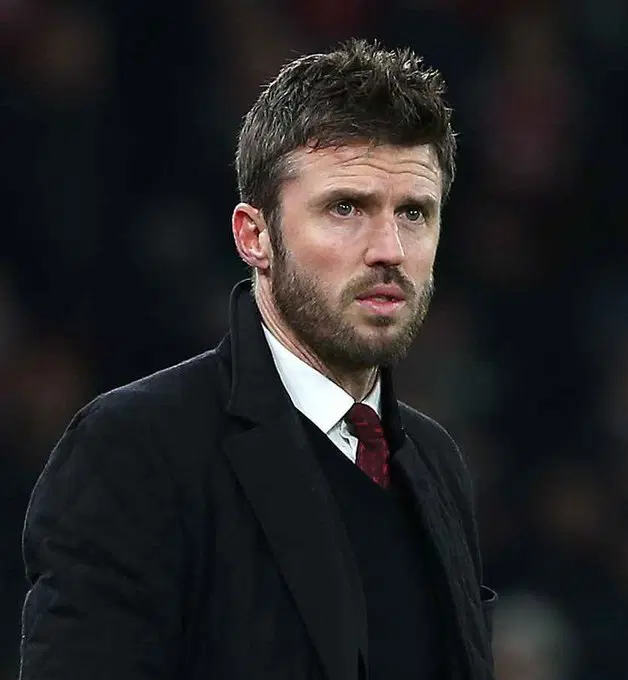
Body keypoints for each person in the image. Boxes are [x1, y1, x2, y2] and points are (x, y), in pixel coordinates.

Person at [19, 38, 497, 680]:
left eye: (414, 213)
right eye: (346, 208)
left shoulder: (435, 463)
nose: (389, 248)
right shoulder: (136, 448)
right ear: (255, 235)